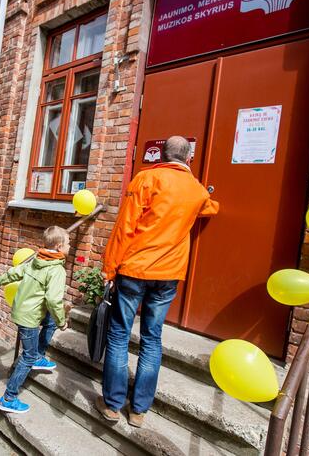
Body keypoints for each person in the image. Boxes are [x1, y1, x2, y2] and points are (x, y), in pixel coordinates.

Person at [96, 135, 219, 427]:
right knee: (152, 338)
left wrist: (109, 269)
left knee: (119, 334)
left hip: (135, 270)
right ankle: (138, 411)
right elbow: (208, 208)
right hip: (169, 274)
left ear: (161, 155)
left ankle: (113, 405)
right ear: (188, 158)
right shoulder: (197, 190)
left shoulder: (146, 178)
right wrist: (211, 200)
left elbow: (124, 227)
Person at [0, 226, 70, 413]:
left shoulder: (37, 259)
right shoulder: (56, 270)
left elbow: (16, 271)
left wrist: (0, 279)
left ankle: (38, 355)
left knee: (49, 322)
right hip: (28, 318)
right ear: (60, 246)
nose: (69, 247)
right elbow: (53, 300)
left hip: (22, 310)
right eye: (68, 244)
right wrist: (62, 321)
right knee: (27, 356)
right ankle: (9, 398)